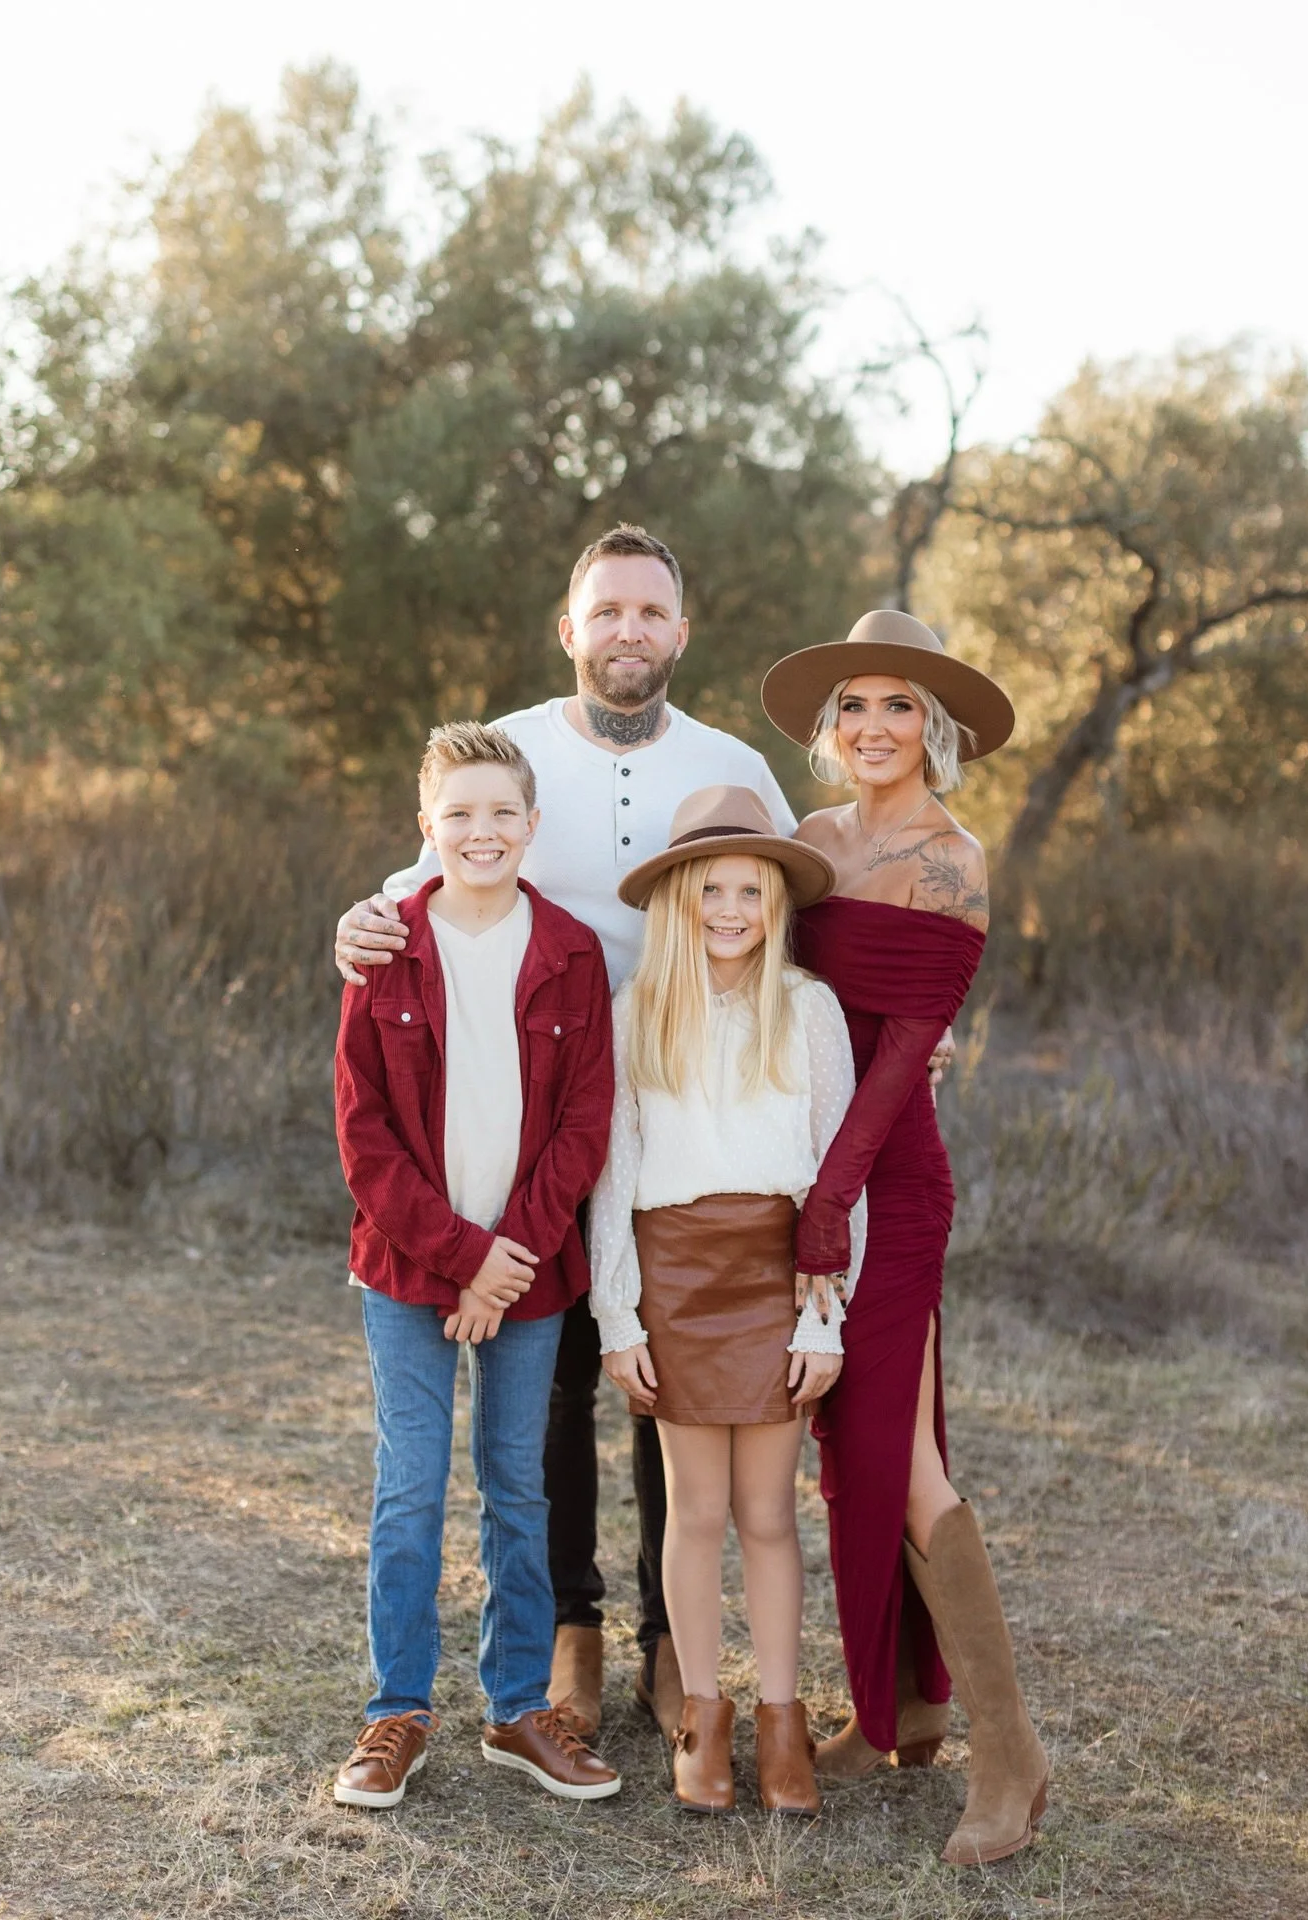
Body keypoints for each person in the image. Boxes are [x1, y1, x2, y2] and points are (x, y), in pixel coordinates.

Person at [332, 525, 799, 1746]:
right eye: (607, 612)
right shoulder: (516, 749)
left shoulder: (735, 763)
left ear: (681, 630)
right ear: (570, 629)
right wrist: (356, 922)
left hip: (687, 1116)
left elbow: (800, 911)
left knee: (667, 1376)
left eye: (649, 611)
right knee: (550, 1393)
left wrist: (902, 1031)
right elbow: (423, 883)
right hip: (538, 1115)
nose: (628, 631)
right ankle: (570, 1635)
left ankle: (666, 1644)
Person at [760, 609, 1050, 1867]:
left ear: (934, 728)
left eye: (898, 707)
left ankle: (1011, 1759)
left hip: (890, 1179)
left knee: (904, 1455)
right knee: (853, 1449)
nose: (873, 726)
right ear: (834, 725)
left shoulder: (951, 859)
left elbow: (900, 1064)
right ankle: (902, 1710)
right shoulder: (814, 839)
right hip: (805, 1170)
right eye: (855, 705)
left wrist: (834, 1205)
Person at [331, 721, 620, 1809]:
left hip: (530, 1273)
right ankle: (397, 1711)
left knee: (517, 1486)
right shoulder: (386, 946)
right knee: (410, 1486)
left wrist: (508, 1262)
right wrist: (462, 1259)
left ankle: (516, 1707)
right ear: (426, 826)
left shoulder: (572, 953)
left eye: (502, 813)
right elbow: (364, 1136)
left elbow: (585, 1124)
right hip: (408, 1271)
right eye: (459, 813)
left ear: (532, 825)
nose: (481, 831)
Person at [588, 786, 863, 1817]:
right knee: (695, 1512)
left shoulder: (809, 1008)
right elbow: (614, 1175)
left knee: (768, 1515)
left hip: (781, 1271)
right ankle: (703, 1717)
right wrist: (618, 1315)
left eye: (751, 891)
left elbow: (839, 1175)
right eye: (712, 891)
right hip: (676, 1277)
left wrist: (824, 1317)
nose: (732, 909)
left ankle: (782, 1722)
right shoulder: (638, 1011)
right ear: (677, 901)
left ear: (775, 902)